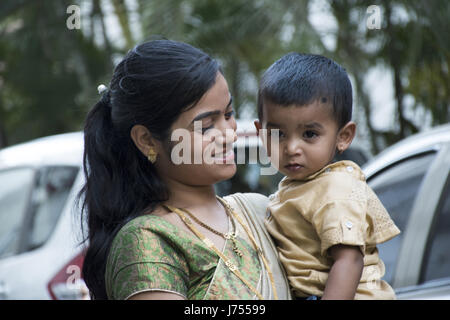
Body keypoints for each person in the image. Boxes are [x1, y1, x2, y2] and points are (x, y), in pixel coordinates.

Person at [79, 39, 292, 300]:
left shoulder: (258, 211)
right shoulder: (148, 241)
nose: (228, 134)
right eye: (206, 126)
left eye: (229, 114)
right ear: (147, 140)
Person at [254, 53, 401, 300]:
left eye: (310, 134)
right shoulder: (301, 185)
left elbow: (349, 261)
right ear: (261, 133)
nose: (291, 148)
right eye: (278, 134)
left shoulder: (335, 189)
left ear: (344, 136)